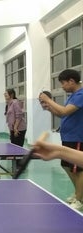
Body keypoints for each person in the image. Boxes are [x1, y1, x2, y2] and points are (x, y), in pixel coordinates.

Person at [38, 69, 83, 210]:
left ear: (71, 81)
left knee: (78, 170)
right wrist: (49, 107)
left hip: (78, 137)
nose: (62, 86)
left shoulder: (81, 95)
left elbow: (64, 111)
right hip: (68, 137)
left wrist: (48, 99)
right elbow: (62, 115)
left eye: (63, 83)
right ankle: (78, 193)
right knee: (66, 165)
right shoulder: (72, 96)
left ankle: (79, 198)